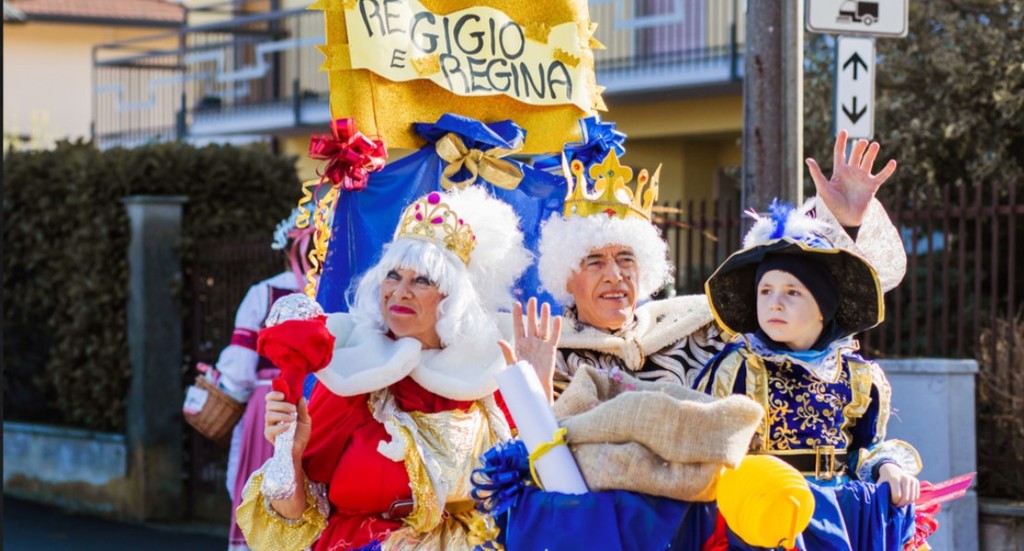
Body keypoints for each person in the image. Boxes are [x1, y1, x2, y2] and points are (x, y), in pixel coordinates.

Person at [235, 187, 531, 551]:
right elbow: (294, 519)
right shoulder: (355, 376)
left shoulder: (486, 377)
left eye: (421, 280)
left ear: (453, 298)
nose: (400, 292)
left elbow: (534, 485)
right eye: (393, 276)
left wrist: (541, 388)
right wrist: (290, 453)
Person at [534, 130, 907, 397]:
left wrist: (843, 225)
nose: (615, 275)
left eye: (625, 258)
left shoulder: (699, 324)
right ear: (567, 276)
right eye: (595, 262)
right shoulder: (546, 347)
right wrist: (532, 378)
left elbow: (811, 317)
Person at [693, 201, 923, 549]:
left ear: (822, 310)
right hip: (761, 521)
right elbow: (706, 448)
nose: (775, 303)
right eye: (765, 291)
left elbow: (866, 448)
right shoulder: (737, 367)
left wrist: (887, 467)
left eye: (793, 292)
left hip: (840, 517)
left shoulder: (859, 377)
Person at [209, 208, 314, 551]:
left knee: (262, 485)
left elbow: (239, 372)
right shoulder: (331, 290)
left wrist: (224, 387)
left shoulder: (263, 293)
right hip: (322, 401)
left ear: (285, 250)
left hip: (271, 405)